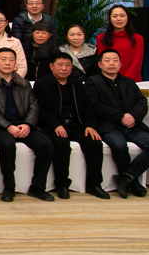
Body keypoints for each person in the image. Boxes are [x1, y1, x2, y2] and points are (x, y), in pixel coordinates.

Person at [84, 49, 149, 198]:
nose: (111, 64)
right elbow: (96, 105)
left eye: (115, 60)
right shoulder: (92, 82)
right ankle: (134, 183)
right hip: (108, 126)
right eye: (107, 60)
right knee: (119, 146)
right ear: (100, 64)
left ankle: (127, 177)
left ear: (120, 64)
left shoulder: (128, 82)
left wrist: (133, 116)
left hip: (132, 125)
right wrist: (121, 117)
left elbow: (141, 102)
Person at [33, 52, 109, 200]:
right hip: (53, 126)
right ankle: (62, 184)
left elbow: (89, 108)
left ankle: (94, 185)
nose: (64, 68)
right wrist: (55, 125)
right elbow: (40, 110)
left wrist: (90, 125)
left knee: (94, 143)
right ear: (51, 66)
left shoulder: (77, 84)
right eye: (60, 65)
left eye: (68, 65)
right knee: (61, 144)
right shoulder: (42, 84)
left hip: (76, 124)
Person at [0, 48, 55, 202]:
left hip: (23, 124)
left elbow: (34, 106)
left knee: (46, 145)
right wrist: (8, 126)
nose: (7, 63)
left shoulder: (24, 83)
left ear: (16, 63)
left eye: (11, 59)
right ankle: (9, 187)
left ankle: (38, 187)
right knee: (7, 145)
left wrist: (28, 124)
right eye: (3, 59)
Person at [96, 4, 144, 82]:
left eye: (122, 16)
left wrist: (124, 82)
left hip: (132, 82)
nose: (119, 19)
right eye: (115, 16)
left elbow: (136, 64)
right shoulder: (101, 38)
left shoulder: (137, 39)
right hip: (109, 82)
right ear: (109, 18)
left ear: (127, 18)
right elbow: (104, 63)